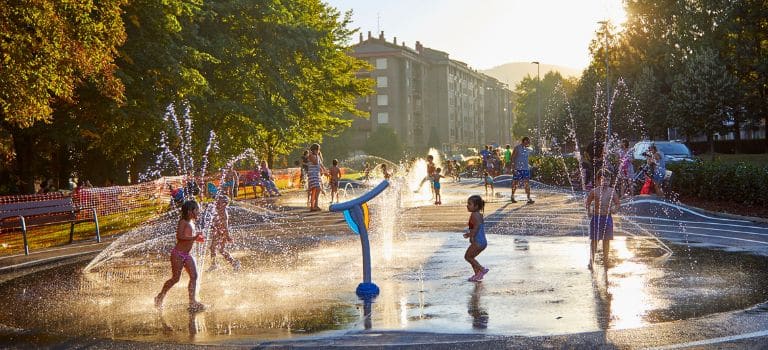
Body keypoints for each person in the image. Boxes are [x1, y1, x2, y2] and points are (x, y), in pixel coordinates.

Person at [155, 200, 206, 312]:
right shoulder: (183, 222)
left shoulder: (192, 223)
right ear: (189, 211)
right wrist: (194, 238)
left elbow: (189, 237)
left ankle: (192, 302)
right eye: (197, 210)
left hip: (187, 255)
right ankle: (160, 296)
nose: (199, 211)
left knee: (194, 276)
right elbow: (180, 237)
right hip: (177, 254)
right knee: (175, 279)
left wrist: (197, 239)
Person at [585, 170, 620, 270]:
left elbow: (617, 203)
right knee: (594, 241)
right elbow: (587, 203)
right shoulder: (594, 191)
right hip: (596, 218)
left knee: (606, 240)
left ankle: (606, 260)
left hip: (607, 218)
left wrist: (615, 209)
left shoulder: (612, 191)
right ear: (598, 180)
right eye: (603, 179)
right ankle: (591, 261)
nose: (605, 181)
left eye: (608, 179)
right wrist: (589, 210)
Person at [208, 195, 240, 272]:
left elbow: (225, 226)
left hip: (222, 233)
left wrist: (227, 236)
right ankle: (233, 263)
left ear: (224, 204)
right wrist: (213, 226)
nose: (217, 203)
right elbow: (215, 222)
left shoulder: (224, 213)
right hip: (219, 232)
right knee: (218, 249)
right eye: (217, 202)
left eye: (219, 202)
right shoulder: (218, 210)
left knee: (216, 249)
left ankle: (215, 264)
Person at [464, 195, 489, 282]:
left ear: (476, 206)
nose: (467, 205)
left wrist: (470, 235)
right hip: (482, 241)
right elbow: (476, 226)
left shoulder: (474, 215)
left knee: (468, 257)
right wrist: (471, 236)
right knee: (471, 258)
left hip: (478, 241)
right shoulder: (479, 214)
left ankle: (481, 269)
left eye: (470, 204)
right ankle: (477, 275)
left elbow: (477, 227)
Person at [510, 137, 534, 204]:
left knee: (527, 183)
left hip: (526, 168)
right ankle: (512, 196)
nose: (529, 143)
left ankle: (529, 198)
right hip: (517, 168)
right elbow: (512, 157)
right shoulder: (517, 148)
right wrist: (513, 167)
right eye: (528, 141)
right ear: (524, 141)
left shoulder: (529, 149)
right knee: (516, 183)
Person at [307, 143, 327, 211]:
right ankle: (313, 206)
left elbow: (321, 165)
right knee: (315, 189)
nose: (319, 151)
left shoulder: (317, 156)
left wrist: (325, 171)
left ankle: (315, 205)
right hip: (312, 174)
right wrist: (316, 155)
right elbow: (315, 162)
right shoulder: (311, 155)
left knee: (317, 189)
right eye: (318, 149)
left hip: (316, 174)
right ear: (315, 149)